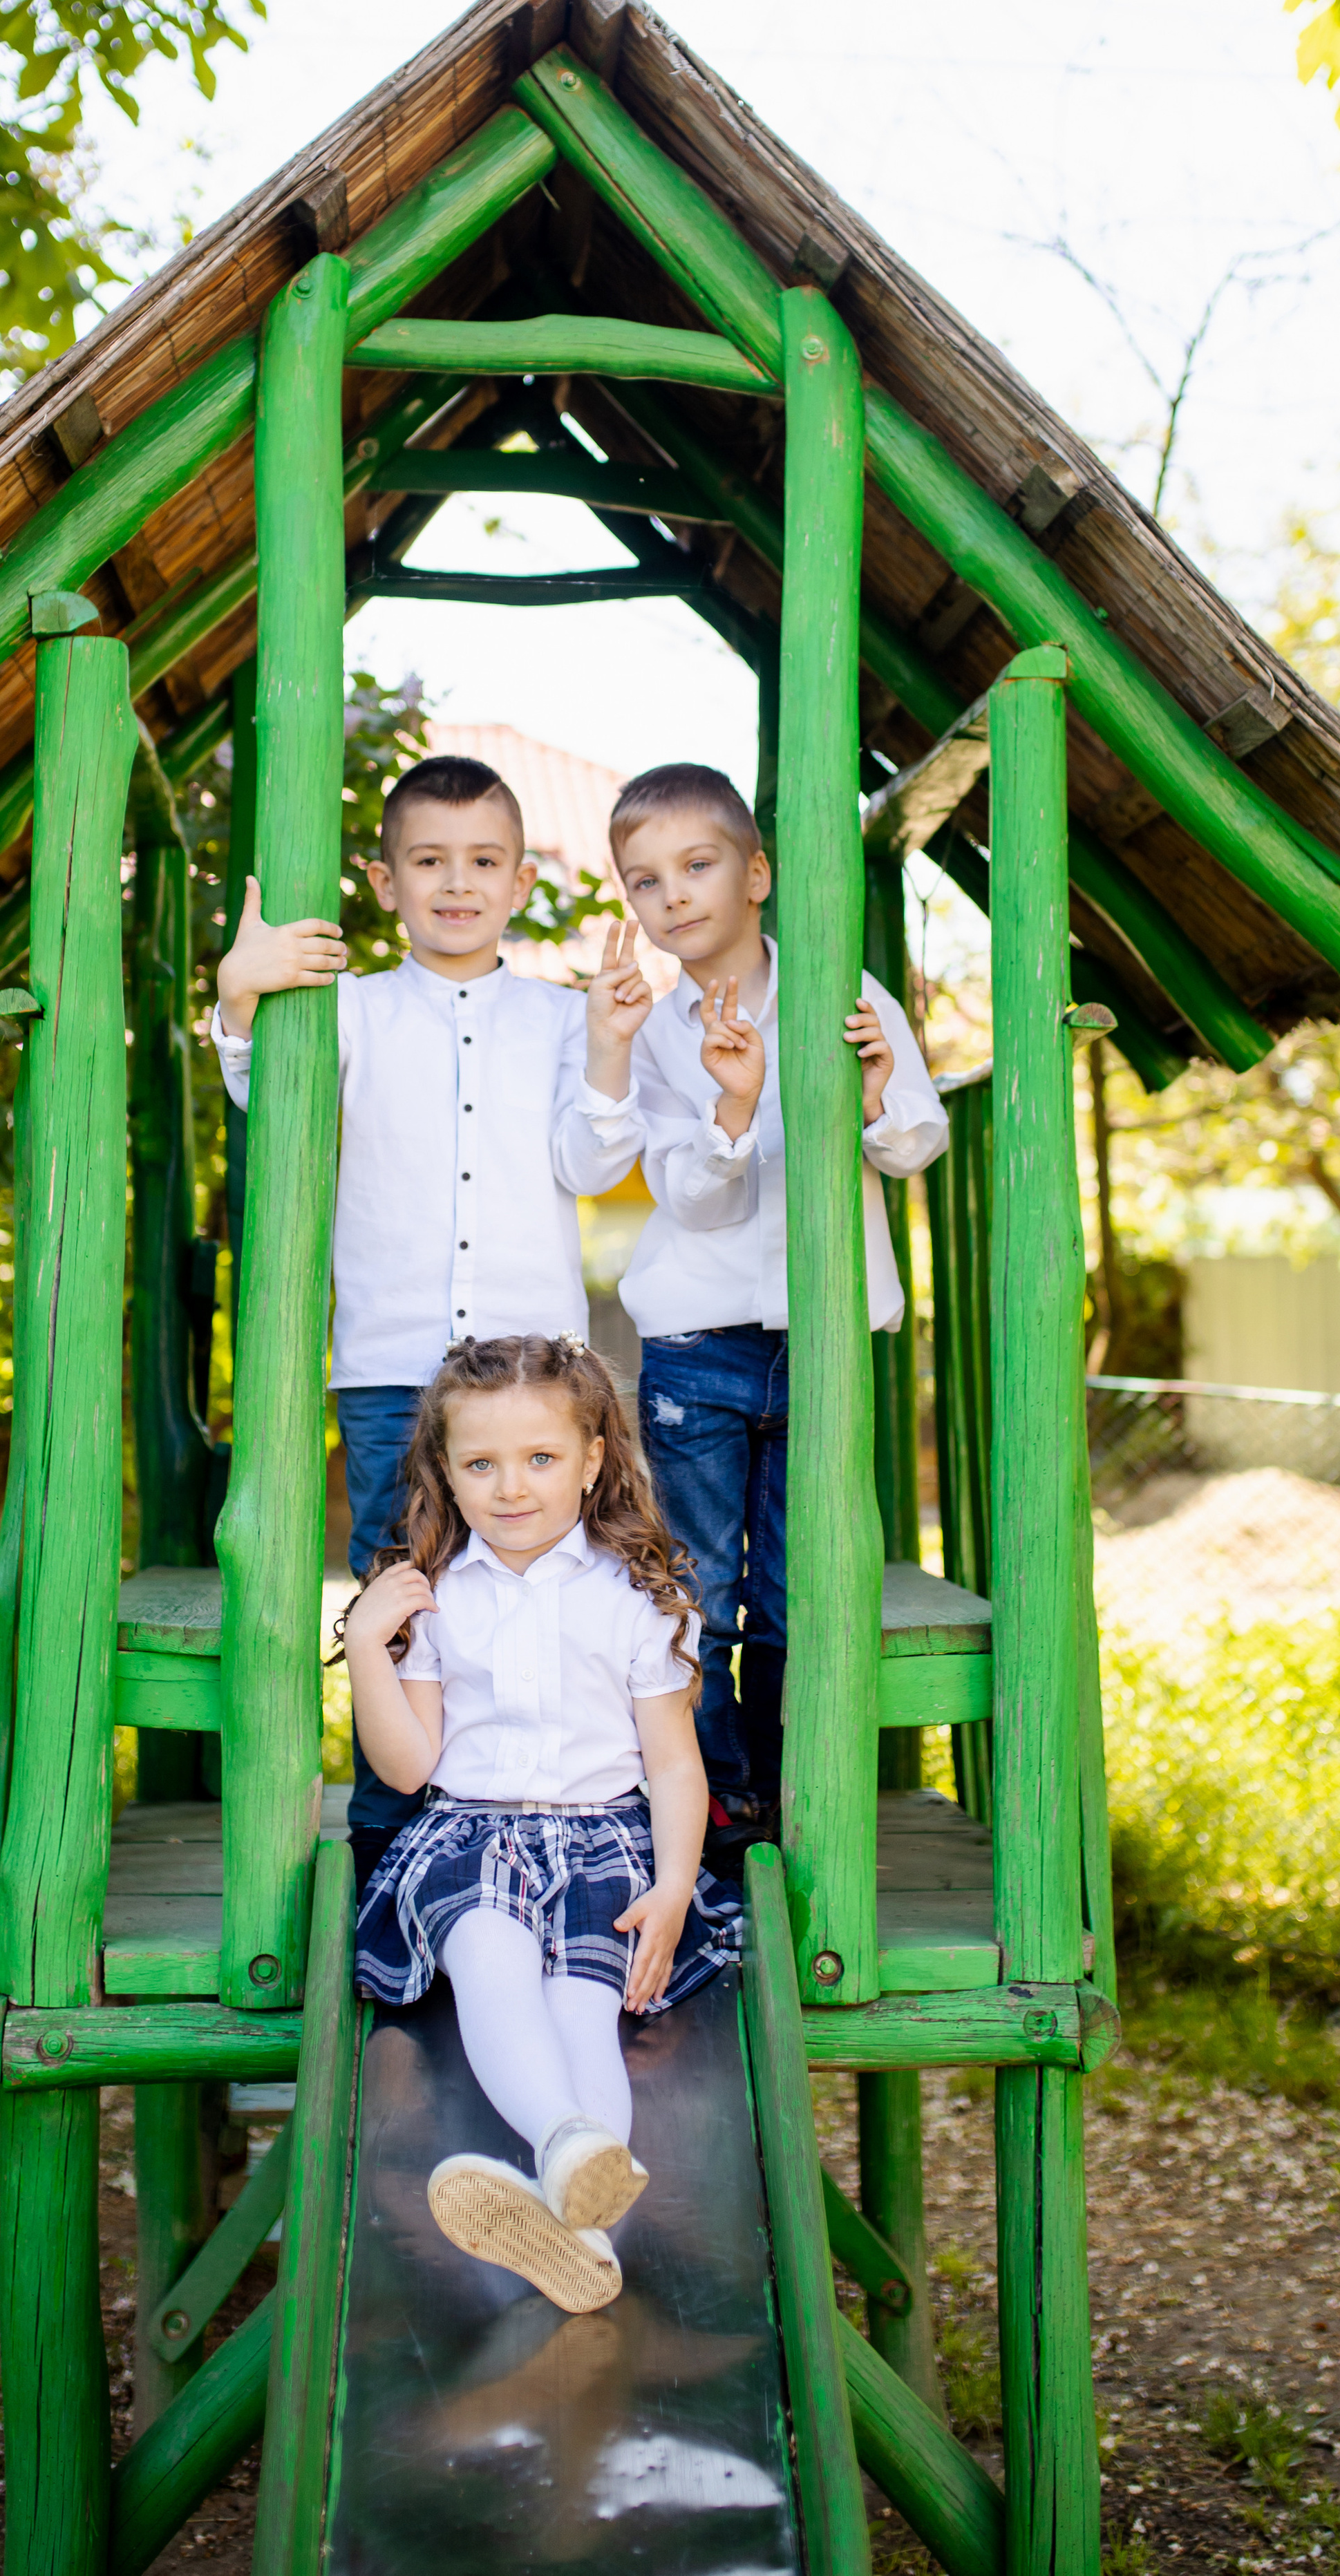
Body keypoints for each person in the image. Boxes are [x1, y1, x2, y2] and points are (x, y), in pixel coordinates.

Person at [211, 755, 647, 1891]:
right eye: (429, 861)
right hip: (390, 1368)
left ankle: (551, 1822)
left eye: (483, 862)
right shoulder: (344, 1008)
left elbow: (593, 1162)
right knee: (401, 1597)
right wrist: (238, 994)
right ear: (385, 878)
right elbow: (264, 1090)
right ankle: (398, 1846)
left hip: (532, 1378)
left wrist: (608, 1047)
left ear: (519, 881)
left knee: (544, 1589)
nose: (457, 883)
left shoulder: (562, 1017)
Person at [569, 761, 949, 1868]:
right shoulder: (656, 1033)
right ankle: (718, 1797)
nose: (673, 896)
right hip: (700, 1344)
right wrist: (732, 1109)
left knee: (801, 1581)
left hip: (826, 1339)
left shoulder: (849, 991)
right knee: (701, 1585)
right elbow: (692, 1196)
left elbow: (915, 1142)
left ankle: (790, 1787)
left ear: (759, 872)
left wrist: (874, 1102)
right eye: (645, 882)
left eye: (698, 865)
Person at [342, 1332, 741, 2314]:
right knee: (488, 1955)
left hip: (604, 1843)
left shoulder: (638, 1599)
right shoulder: (439, 1598)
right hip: (471, 1835)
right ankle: (568, 2145)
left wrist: (676, 1884)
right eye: (480, 1464)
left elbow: (673, 1766)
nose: (511, 1487)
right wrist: (364, 1644)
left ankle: (579, 2234)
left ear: (594, 1460)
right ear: (445, 1468)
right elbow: (410, 1765)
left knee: (582, 2013)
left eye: (541, 1459)